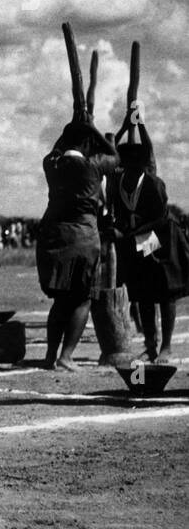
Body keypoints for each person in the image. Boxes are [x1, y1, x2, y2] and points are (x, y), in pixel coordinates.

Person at [35, 114, 117, 371]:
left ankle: (50, 355)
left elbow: (57, 148)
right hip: (82, 235)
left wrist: (75, 126)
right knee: (82, 299)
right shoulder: (93, 167)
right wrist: (92, 129)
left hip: (53, 234)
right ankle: (66, 355)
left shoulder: (52, 164)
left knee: (60, 299)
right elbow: (116, 156)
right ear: (87, 144)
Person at [110, 113, 186, 364]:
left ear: (140, 167)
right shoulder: (117, 183)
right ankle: (150, 344)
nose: (126, 170)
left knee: (165, 291)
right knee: (142, 291)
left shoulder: (153, 183)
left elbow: (161, 219)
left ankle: (166, 347)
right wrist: (124, 128)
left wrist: (140, 124)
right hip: (138, 239)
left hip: (161, 237)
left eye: (131, 167)